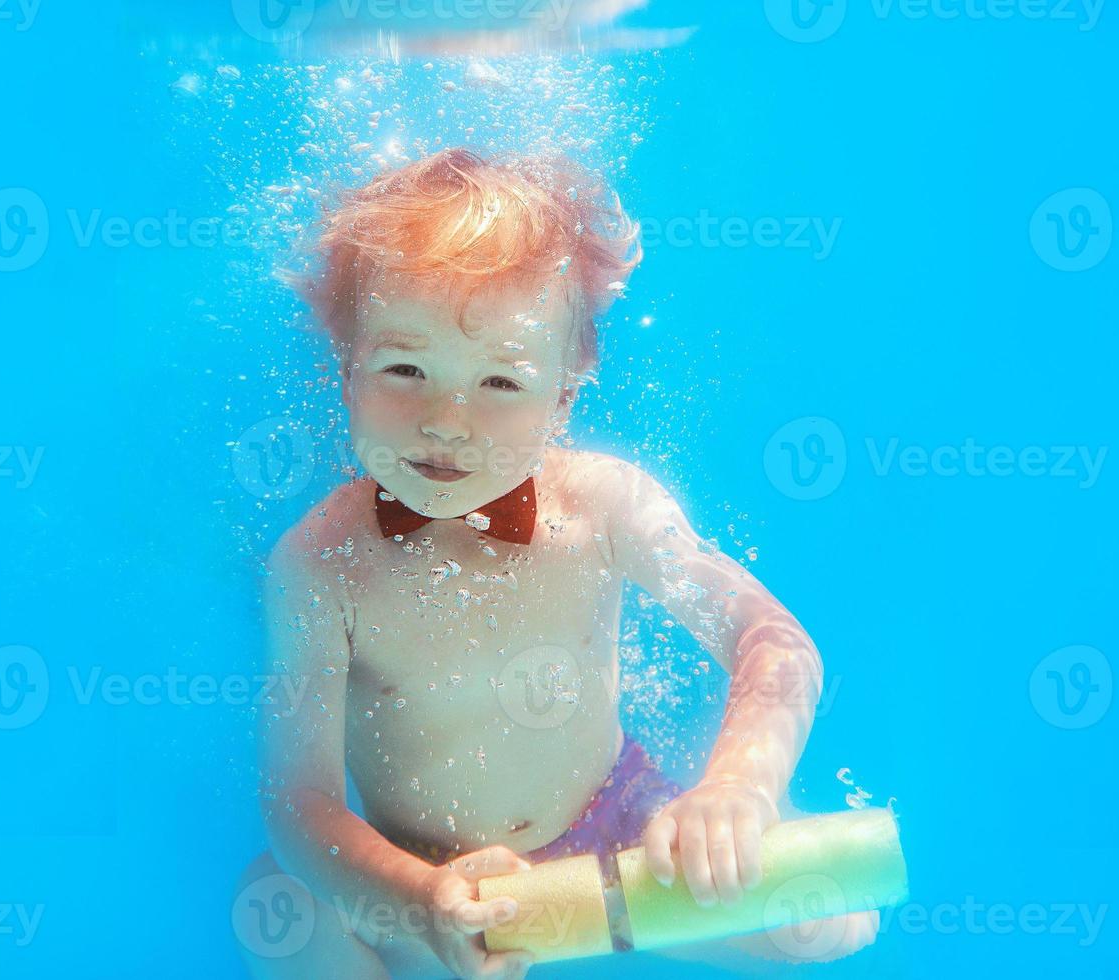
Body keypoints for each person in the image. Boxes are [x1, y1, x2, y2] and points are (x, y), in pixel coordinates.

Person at [233, 148, 876, 979]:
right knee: (276, 907)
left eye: (501, 381)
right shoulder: (318, 565)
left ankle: (747, 836)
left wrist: (736, 790)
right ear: (346, 373)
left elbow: (772, 640)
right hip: (440, 882)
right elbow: (298, 803)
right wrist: (420, 902)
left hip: (617, 844)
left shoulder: (608, 506)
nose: (448, 421)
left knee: (824, 920)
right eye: (405, 369)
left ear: (564, 397)